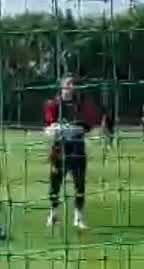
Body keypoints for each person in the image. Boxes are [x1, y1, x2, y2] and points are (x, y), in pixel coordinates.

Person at [43, 76, 102, 230]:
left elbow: (88, 125)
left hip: (77, 148)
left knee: (79, 184)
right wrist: (54, 129)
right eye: (69, 83)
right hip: (59, 149)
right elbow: (49, 126)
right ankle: (53, 213)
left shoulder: (82, 104)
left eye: (74, 84)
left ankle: (78, 218)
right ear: (62, 86)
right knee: (55, 183)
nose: (72, 86)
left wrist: (77, 129)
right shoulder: (54, 104)